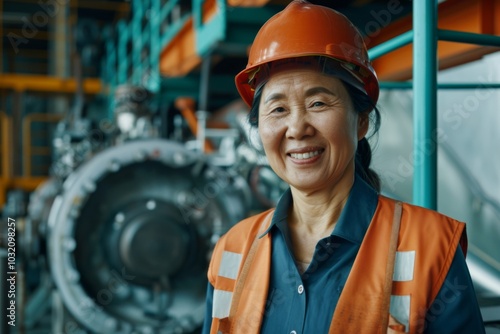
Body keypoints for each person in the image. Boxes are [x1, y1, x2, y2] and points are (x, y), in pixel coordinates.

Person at [202, 1, 485, 333]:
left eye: (318, 103)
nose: (297, 128)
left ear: (361, 121)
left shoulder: (430, 246)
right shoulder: (232, 251)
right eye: (278, 109)